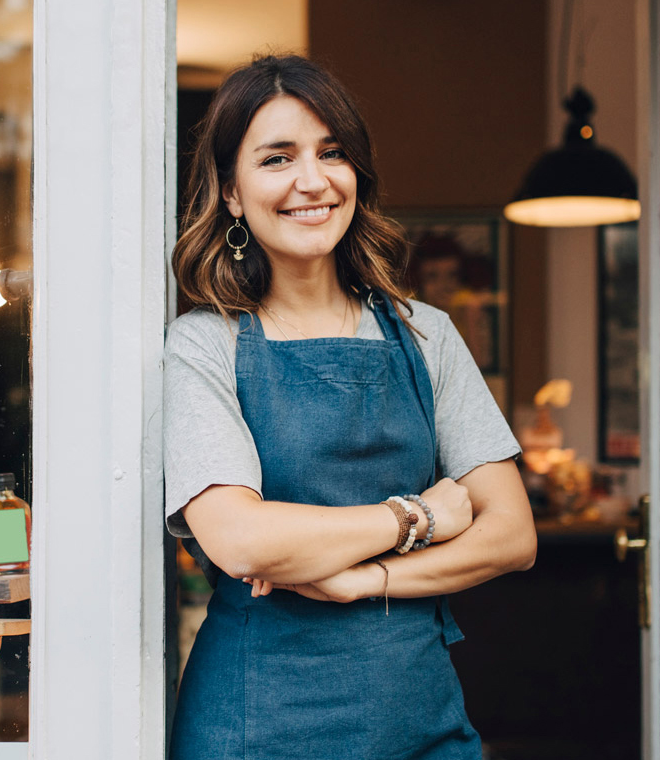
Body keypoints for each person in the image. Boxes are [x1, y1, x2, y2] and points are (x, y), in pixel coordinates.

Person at [163, 55, 538, 760]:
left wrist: (363, 580)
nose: (313, 180)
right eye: (277, 158)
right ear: (233, 193)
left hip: (421, 718)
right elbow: (240, 540)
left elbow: (512, 534)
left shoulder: (426, 332)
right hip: (257, 725)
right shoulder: (203, 344)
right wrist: (417, 515)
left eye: (332, 153)